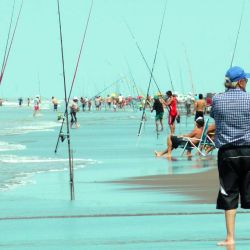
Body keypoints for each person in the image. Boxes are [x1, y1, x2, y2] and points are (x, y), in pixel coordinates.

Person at [210, 66, 250, 246]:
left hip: (227, 153)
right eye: (246, 80)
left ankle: (230, 237)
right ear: (241, 82)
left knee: (229, 193)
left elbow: (215, 118)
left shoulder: (217, 99)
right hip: (249, 150)